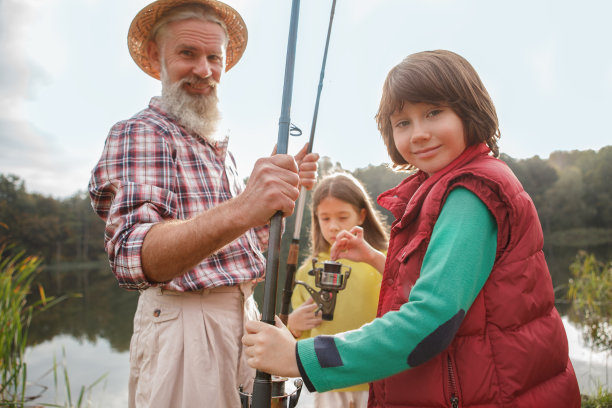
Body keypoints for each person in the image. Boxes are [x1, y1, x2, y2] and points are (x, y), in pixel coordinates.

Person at [242, 50, 581, 407]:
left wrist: (300, 358)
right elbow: (447, 282)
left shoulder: (471, 193)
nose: (418, 134)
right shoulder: (451, 185)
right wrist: (374, 256)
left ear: (469, 111)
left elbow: (428, 322)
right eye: (402, 122)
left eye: (434, 113)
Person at [88, 1, 319, 407]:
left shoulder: (216, 145)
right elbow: (132, 256)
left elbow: (237, 244)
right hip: (184, 329)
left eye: (215, 57)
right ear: (153, 58)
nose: (204, 69)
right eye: (187, 54)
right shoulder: (141, 131)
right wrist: (246, 204)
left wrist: (276, 199)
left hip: (244, 316)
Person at [287, 172, 388, 408]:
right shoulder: (305, 272)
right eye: (325, 218)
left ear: (362, 215)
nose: (333, 226)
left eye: (343, 217)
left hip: (374, 381)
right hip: (323, 384)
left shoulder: (383, 260)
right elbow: (294, 336)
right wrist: (292, 324)